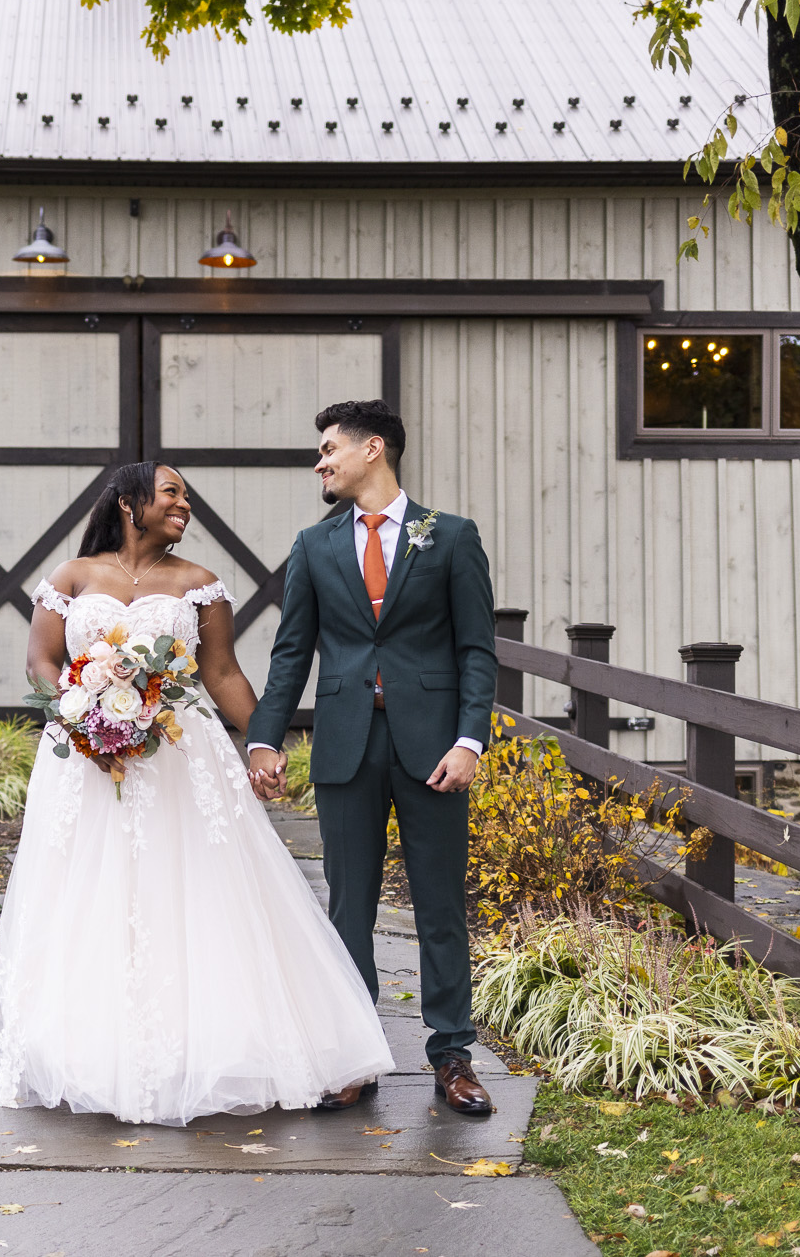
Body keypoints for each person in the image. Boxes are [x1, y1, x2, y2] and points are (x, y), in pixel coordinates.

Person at [0, 461, 393, 1127]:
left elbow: (222, 670)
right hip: (87, 758)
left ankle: (213, 1044)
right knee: (90, 894)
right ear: (127, 501)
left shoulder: (199, 583)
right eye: (171, 492)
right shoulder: (70, 578)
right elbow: (42, 660)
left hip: (180, 752)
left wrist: (264, 741)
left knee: (197, 890)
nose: (184, 504)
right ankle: (90, 1050)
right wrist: (78, 704)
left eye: (186, 496)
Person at [245, 399, 500, 1116]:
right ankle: (354, 1055)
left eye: (329, 448)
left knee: (441, 905)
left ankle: (452, 1056)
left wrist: (469, 739)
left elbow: (477, 649)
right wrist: (266, 736)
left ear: (373, 449)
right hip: (346, 744)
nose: (320, 461)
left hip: (434, 750)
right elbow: (292, 651)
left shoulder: (448, 537)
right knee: (347, 905)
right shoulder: (314, 546)